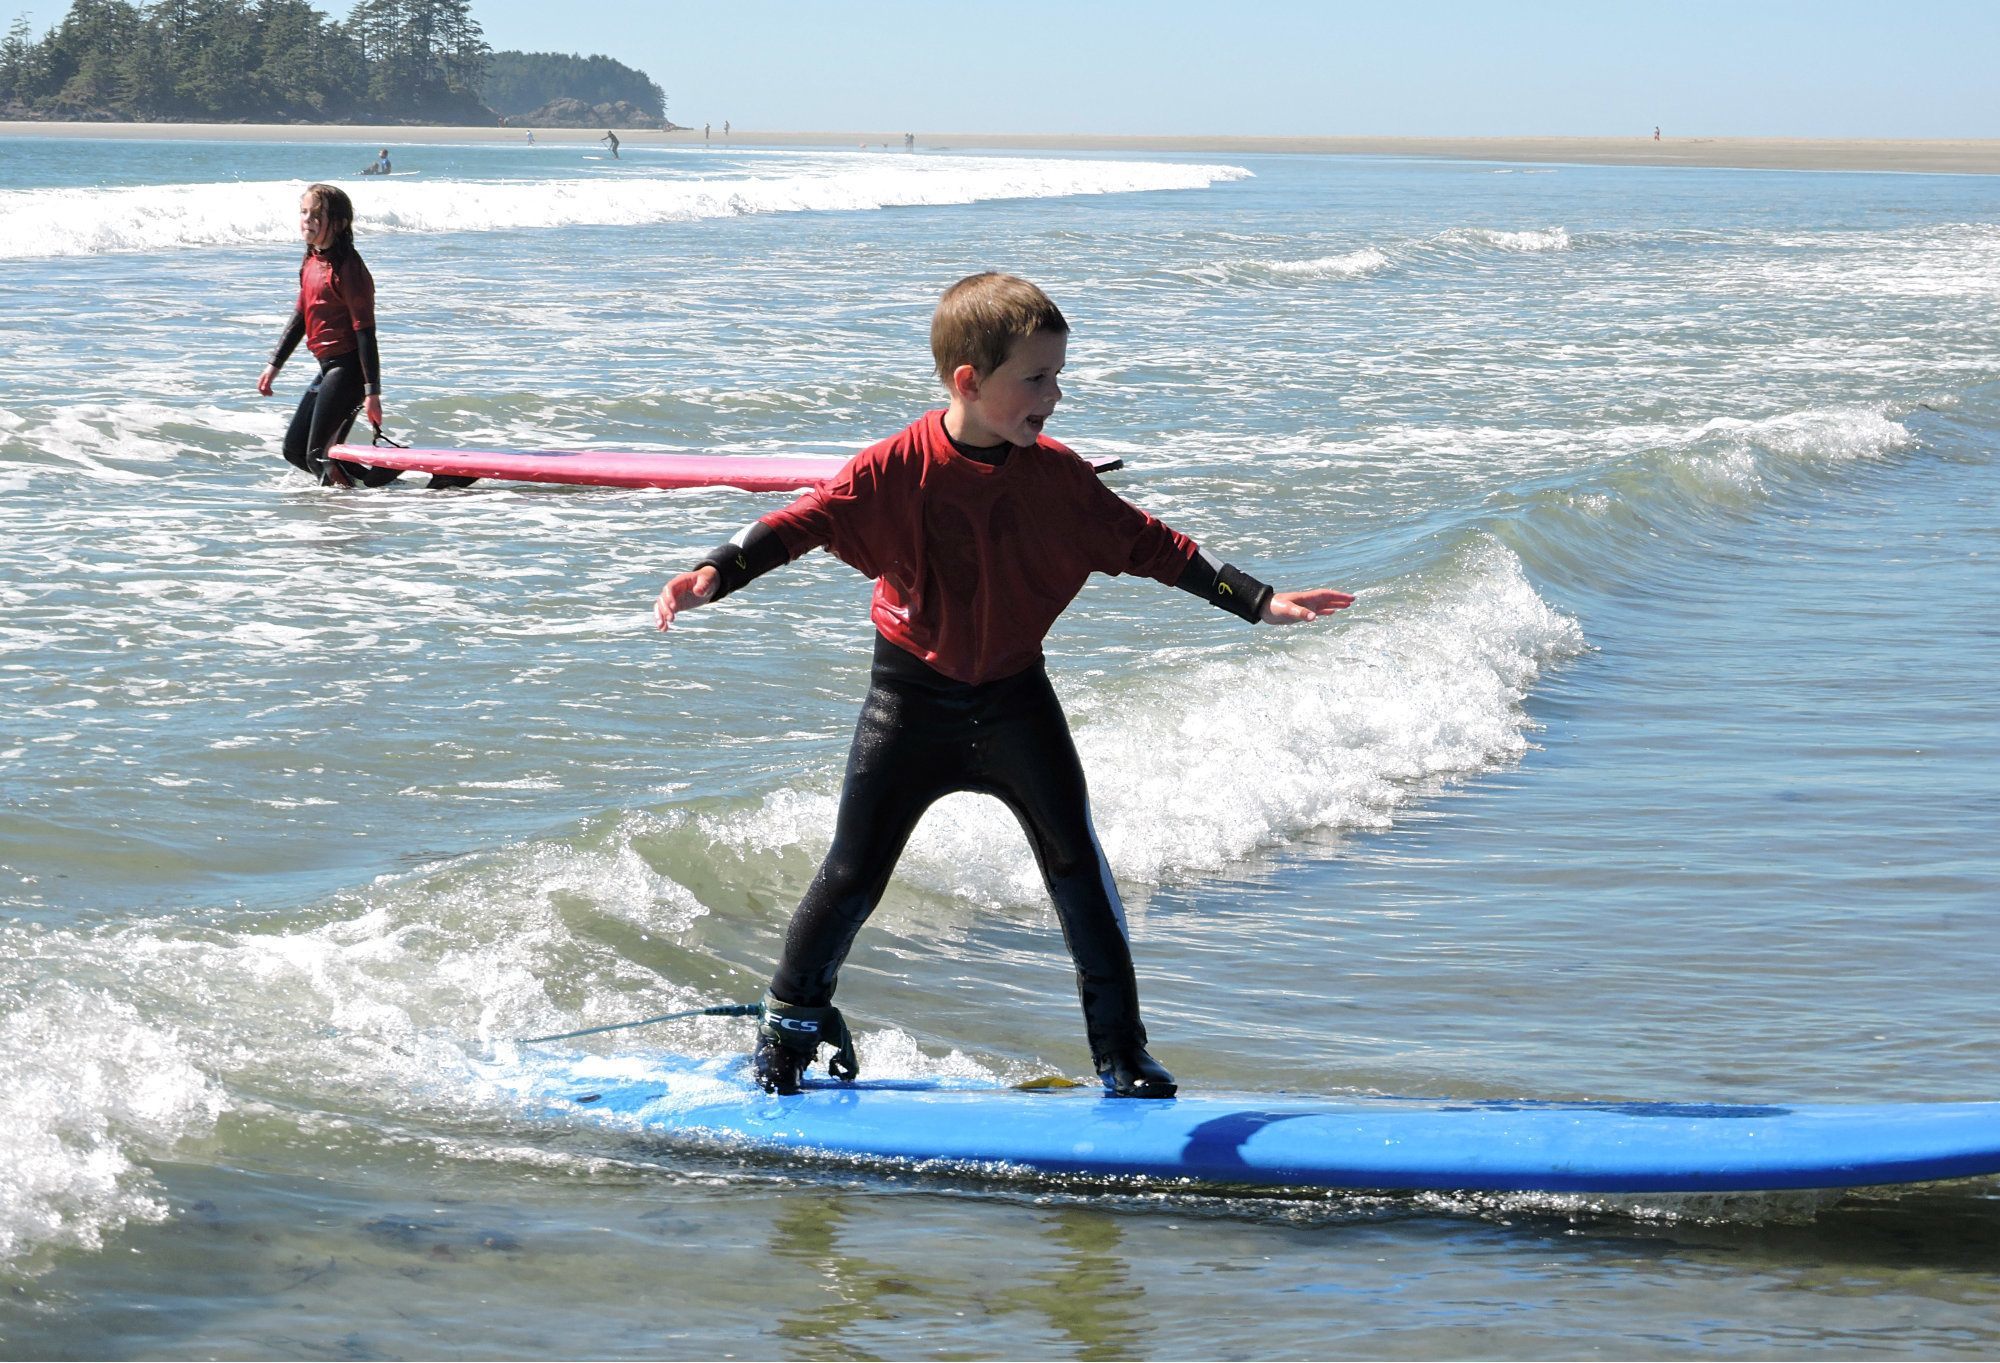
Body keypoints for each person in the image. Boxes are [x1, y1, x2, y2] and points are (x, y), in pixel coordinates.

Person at [654, 273, 1354, 1099]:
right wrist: (714, 572)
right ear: (968, 382)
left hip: (1016, 700)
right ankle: (786, 1041)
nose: (1055, 395)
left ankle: (1123, 1056)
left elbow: (1155, 543)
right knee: (853, 872)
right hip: (907, 703)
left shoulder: (1056, 477)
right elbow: (801, 520)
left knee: (1077, 869)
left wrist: (1259, 600)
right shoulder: (893, 468)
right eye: (1037, 378)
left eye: (1058, 376)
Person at [256, 183, 397, 488]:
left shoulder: (349, 268)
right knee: (295, 451)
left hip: (349, 370)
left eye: (316, 214)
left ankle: (342, 511)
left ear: (340, 223)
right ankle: (380, 482)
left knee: (317, 455)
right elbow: (301, 315)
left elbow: (365, 331)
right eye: (303, 212)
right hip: (328, 367)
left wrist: (372, 392)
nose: (307, 219)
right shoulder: (311, 259)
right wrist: (274, 364)